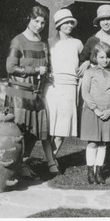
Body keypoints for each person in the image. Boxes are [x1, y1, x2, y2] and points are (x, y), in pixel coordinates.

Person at [5, 5, 56, 176]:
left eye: (42, 22)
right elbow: (10, 68)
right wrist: (34, 71)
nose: (39, 25)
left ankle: (24, 162)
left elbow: (45, 66)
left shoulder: (43, 43)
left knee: (36, 131)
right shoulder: (18, 41)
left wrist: (47, 73)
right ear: (29, 19)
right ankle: (17, 165)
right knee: (19, 131)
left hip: (37, 92)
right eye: (36, 21)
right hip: (19, 93)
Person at [80, 4, 110, 180]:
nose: (105, 23)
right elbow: (84, 58)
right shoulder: (93, 39)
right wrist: (86, 62)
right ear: (98, 22)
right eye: (102, 20)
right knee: (95, 138)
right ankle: (92, 170)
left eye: (108, 19)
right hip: (96, 90)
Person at [45, 9, 86, 167]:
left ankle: (52, 158)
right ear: (59, 25)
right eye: (66, 22)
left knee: (63, 128)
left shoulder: (77, 43)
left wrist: (87, 63)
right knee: (49, 126)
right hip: (52, 87)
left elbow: (87, 58)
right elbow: (44, 63)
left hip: (70, 87)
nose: (69, 25)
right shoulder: (49, 43)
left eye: (71, 22)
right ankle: (50, 161)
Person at [80, 42, 110, 185]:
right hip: (93, 112)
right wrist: (95, 109)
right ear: (95, 57)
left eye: (108, 57)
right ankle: (90, 171)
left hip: (107, 113)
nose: (105, 60)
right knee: (92, 143)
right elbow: (85, 92)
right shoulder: (89, 73)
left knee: (103, 143)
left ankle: (99, 171)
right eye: (101, 57)